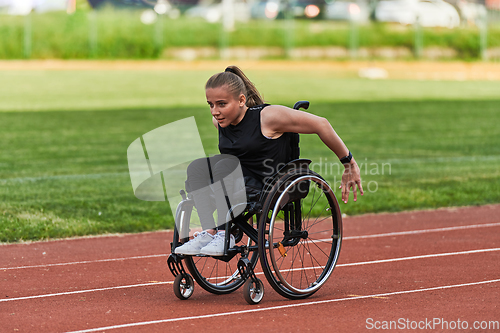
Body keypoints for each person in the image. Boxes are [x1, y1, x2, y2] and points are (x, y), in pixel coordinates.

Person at [174, 65, 363, 256]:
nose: (215, 111)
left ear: (241, 100)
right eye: (211, 104)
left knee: (225, 165)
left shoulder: (268, 117)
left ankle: (225, 235)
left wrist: (349, 163)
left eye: (222, 104)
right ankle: (209, 232)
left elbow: (321, 124)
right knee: (197, 168)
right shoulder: (221, 122)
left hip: (265, 185)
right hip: (234, 182)